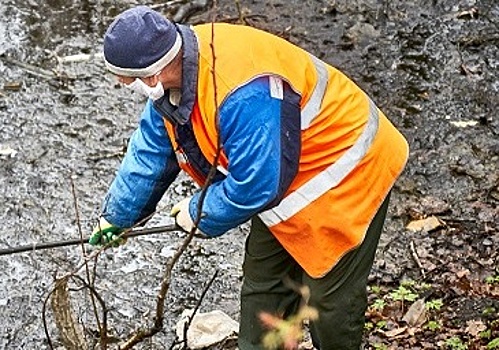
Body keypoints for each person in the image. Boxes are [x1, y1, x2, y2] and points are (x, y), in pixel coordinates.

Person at [87, 5, 409, 349]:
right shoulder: (177, 76)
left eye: (125, 79)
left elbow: (257, 183)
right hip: (287, 178)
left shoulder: (240, 90)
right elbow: (150, 149)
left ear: (151, 75)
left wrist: (198, 213)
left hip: (347, 168)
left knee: (329, 300)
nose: (122, 86)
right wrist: (117, 217)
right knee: (263, 287)